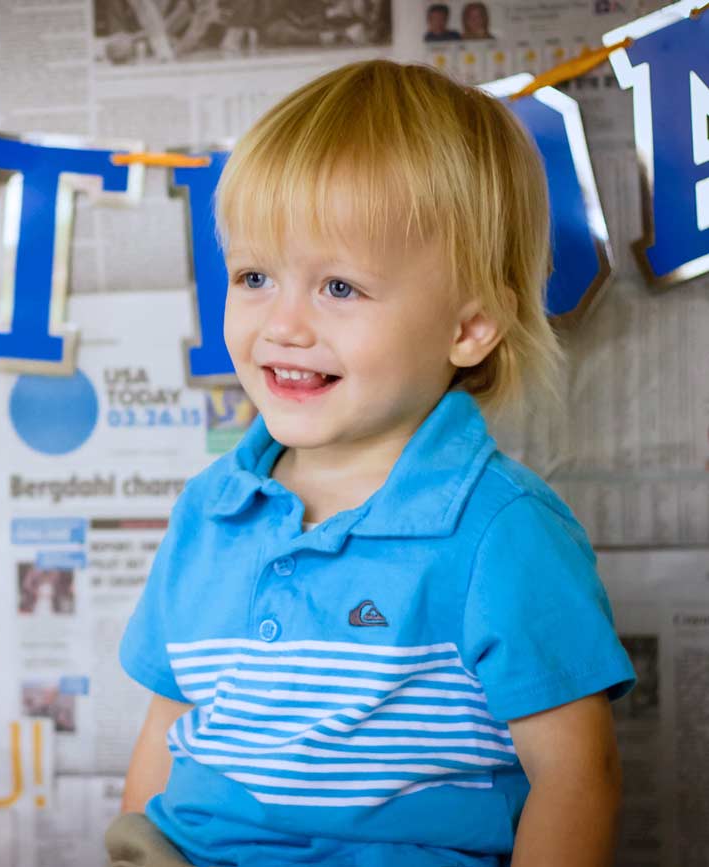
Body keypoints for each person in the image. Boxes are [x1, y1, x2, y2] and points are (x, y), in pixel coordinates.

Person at [108, 60, 635, 867]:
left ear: (469, 328)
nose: (281, 324)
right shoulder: (211, 510)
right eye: (255, 275)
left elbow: (577, 778)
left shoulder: (501, 531)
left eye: (340, 288)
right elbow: (165, 730)